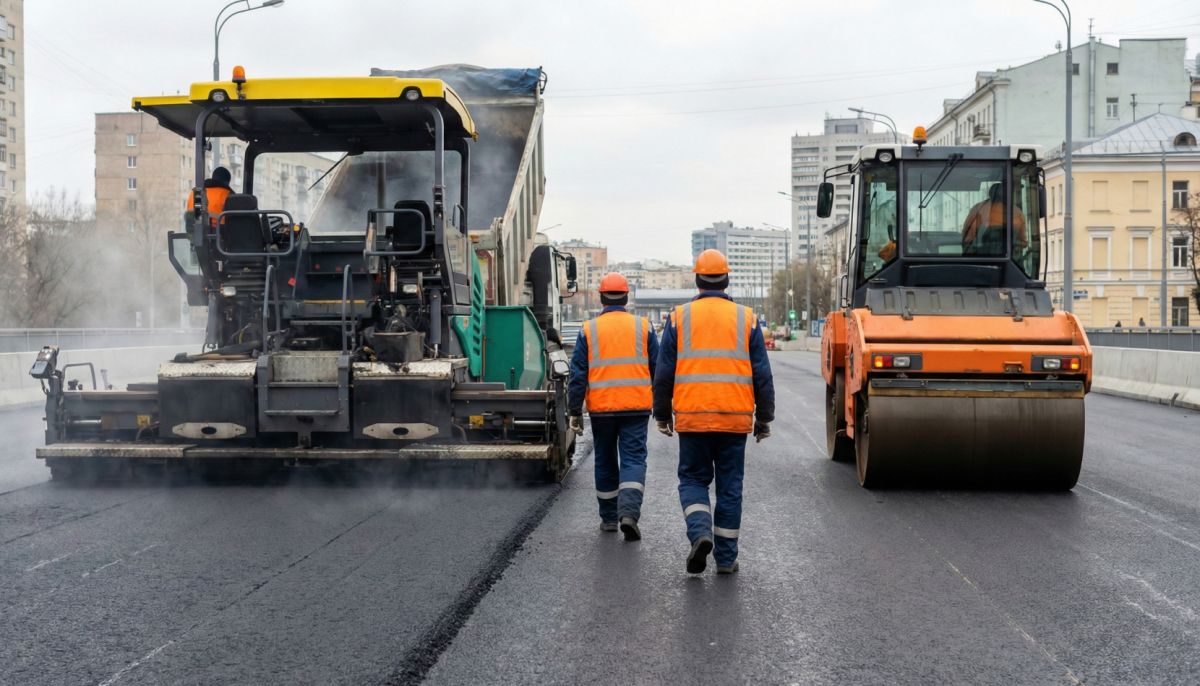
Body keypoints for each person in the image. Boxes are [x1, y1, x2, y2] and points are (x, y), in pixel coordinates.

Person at [653, 249, 774, 575]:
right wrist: (764, 418)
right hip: (734, 418)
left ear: (697, 279)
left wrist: (662, 414)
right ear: (727, 279)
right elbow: (762, 373)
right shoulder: (746, 318)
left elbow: (664, 373)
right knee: (730, 487)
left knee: (693, 479)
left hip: (693, 417)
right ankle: (725, 559)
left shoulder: (678, 317)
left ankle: (700, 531)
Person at [568, 272, 659, 541]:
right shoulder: (644, 327)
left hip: (602, 408)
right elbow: (659, 368)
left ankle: (608, 518)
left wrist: (575, 410)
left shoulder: (589, 329)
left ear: (601, 298)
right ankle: (628, 514)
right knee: (633, 459)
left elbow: (578, 374)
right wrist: (664, 404)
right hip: (636, 406)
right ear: (627, 297)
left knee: (605, 460)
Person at [962, 183, 1026, 254]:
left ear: (990, 194)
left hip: (981, 257)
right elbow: (1022, 242)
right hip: (1009, 258)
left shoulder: (979, 209)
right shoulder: (1016, 212)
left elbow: (967, 237)